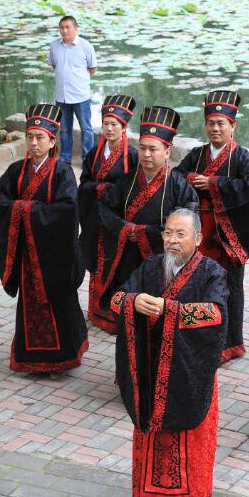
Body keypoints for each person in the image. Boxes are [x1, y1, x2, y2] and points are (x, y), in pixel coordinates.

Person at [112, 209, 227, 497]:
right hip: (152, 373)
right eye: (168, 233)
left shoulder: (211, 272)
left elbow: (216, 314)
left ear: (198, 238)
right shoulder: (151, 266)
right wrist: (133, 303)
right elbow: (116, 299)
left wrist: (171, 310)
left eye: (180, 234)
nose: (172, 241)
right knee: (153, 437)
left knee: (191, 442)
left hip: (193, 374)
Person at [0, 103, 88, 374]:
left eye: (40, 137)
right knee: (30, 304)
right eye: (30, 137)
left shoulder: (62, 172)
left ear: (52, 140)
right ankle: (31, 359)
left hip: (55, 255)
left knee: (60, 302)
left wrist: (26, 210)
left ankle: (63, 358)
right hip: (29, 257)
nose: (33, 143)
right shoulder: (17, 170)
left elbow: (68, 209)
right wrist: (19, 210)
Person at [93, 106, 199, 333]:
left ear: (167, 151)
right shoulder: (127, 180)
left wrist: (142, 233)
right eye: (142, 148)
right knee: (129, 317)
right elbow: (104, 210)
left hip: (163, 262)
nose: (146, 155)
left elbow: (187, 225)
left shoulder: (181, 187)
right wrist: (123, 229)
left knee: (158, 322)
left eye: (153, 149)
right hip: (127, 259)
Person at [175, 91, 249, 362]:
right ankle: (197, 336)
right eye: (211, 123)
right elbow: (177, 174)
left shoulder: (242, 157)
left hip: (226, 236)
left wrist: (214, 184)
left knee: (227, 286)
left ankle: (228, 344)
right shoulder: (197, 154)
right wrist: (191, 177)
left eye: (221, 123)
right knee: (197, 283)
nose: (215, 128)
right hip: (200, 233)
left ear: (232, 126)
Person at [79, 94, 139, 332]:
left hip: (118, 220)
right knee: (97, 259)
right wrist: (98, 189)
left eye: (115, 124)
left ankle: (115, 312)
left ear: (124, 127)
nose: (110, 128)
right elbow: (84, 183)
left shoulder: (132, 155)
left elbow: (134, 188)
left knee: (117, 262)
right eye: (106, 124)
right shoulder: (94, 153)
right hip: (95, 218)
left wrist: (110, 194)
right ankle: (96, 310)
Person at [49, 15, 97, 165]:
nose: (64, 30)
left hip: (81, 96)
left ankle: (87, 160)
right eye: (61, 27)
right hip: (61, 97)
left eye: (67, 27)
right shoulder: (54, 46)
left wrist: (77, 81)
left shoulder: (86, 46)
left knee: (86, 129)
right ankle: (65, 158)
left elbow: (93, 69)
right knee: (64, 130)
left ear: (75, 28)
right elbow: (54, 66)